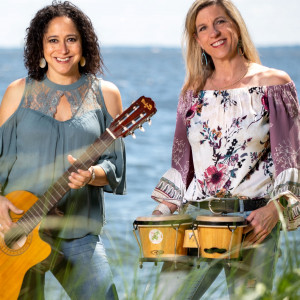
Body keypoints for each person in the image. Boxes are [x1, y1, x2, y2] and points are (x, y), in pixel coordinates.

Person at [150, 0, 300, 299]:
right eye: (203, 28)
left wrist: (275, 210)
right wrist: (160, 211)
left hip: (253, 224)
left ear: (235, 25)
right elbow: (182, 165)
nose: (214, 33)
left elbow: (292, 159)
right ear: (197, 40)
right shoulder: (192, 92)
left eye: (220, 21)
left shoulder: (274, 84)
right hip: (196, 221)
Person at [0, 1, 126, 299]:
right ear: (40, 48)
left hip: (78, 234)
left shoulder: (106, 94)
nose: (63, 49)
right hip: (17, 231)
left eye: (71, 39)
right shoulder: (17, 92)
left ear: (83, 44)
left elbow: (115, 167)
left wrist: (91, 174)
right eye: (53, 40)